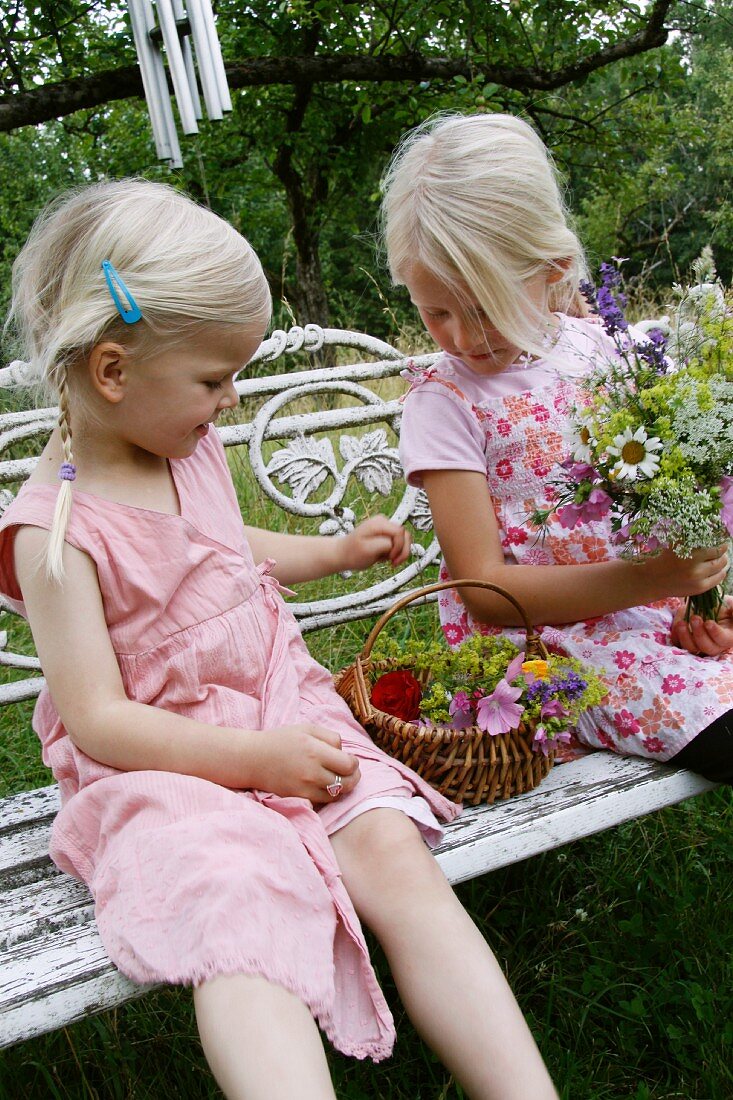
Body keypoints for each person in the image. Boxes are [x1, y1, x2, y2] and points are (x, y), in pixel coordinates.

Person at [0, 179, 558, 1100]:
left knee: (391, 853)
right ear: (113, 371)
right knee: (236, 910)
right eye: (215, 380)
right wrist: (254, 762)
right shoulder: (55, 535)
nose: (228, 402)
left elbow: (223, 550)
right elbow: (99, 721)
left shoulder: (189, 448)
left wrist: (331, 551)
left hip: (278, 706)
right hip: (166, 770)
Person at [382, 112, 733, 783]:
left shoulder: (605, 352)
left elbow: (669, 492)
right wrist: (648, 580)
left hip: (646, 623)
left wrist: (703, 606)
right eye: (434, 310)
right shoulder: (443, 401)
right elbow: (483, 592)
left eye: (481, 307)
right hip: (547, 655)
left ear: (554, 270)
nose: (458, 336)